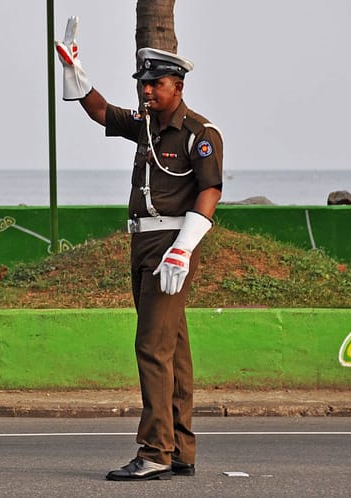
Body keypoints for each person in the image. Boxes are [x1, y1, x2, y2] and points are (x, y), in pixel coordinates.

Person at [55, 17, 223, 481]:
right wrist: (75, 70)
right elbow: (102, 112)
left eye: (155, 84)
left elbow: (210, 191)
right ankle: (181, 448)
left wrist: (183, 249)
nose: (146, 91)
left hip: (172, 245)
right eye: (143, 84)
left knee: (151, 347)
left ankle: (154, 452)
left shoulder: (199, 133)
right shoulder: (146, 126)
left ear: (178, 84)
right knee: (174, 349)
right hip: (143, 242)